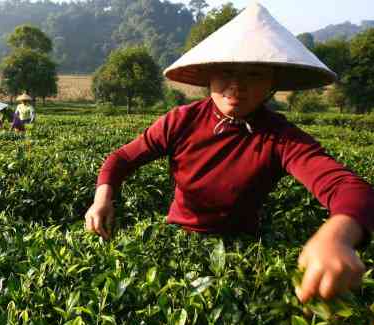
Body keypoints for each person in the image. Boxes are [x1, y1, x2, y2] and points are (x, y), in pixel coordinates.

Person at [84, 3, 374, 304]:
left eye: (254, 73)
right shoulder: (182, 120)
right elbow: (122, 159)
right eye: (226, 71)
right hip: (178, 236)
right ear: (209, 74)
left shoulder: (280, 138)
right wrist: (101, 199)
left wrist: (337, 236)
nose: (237, 85)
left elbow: (349, 188)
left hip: (241, 248)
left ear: (271, 84)